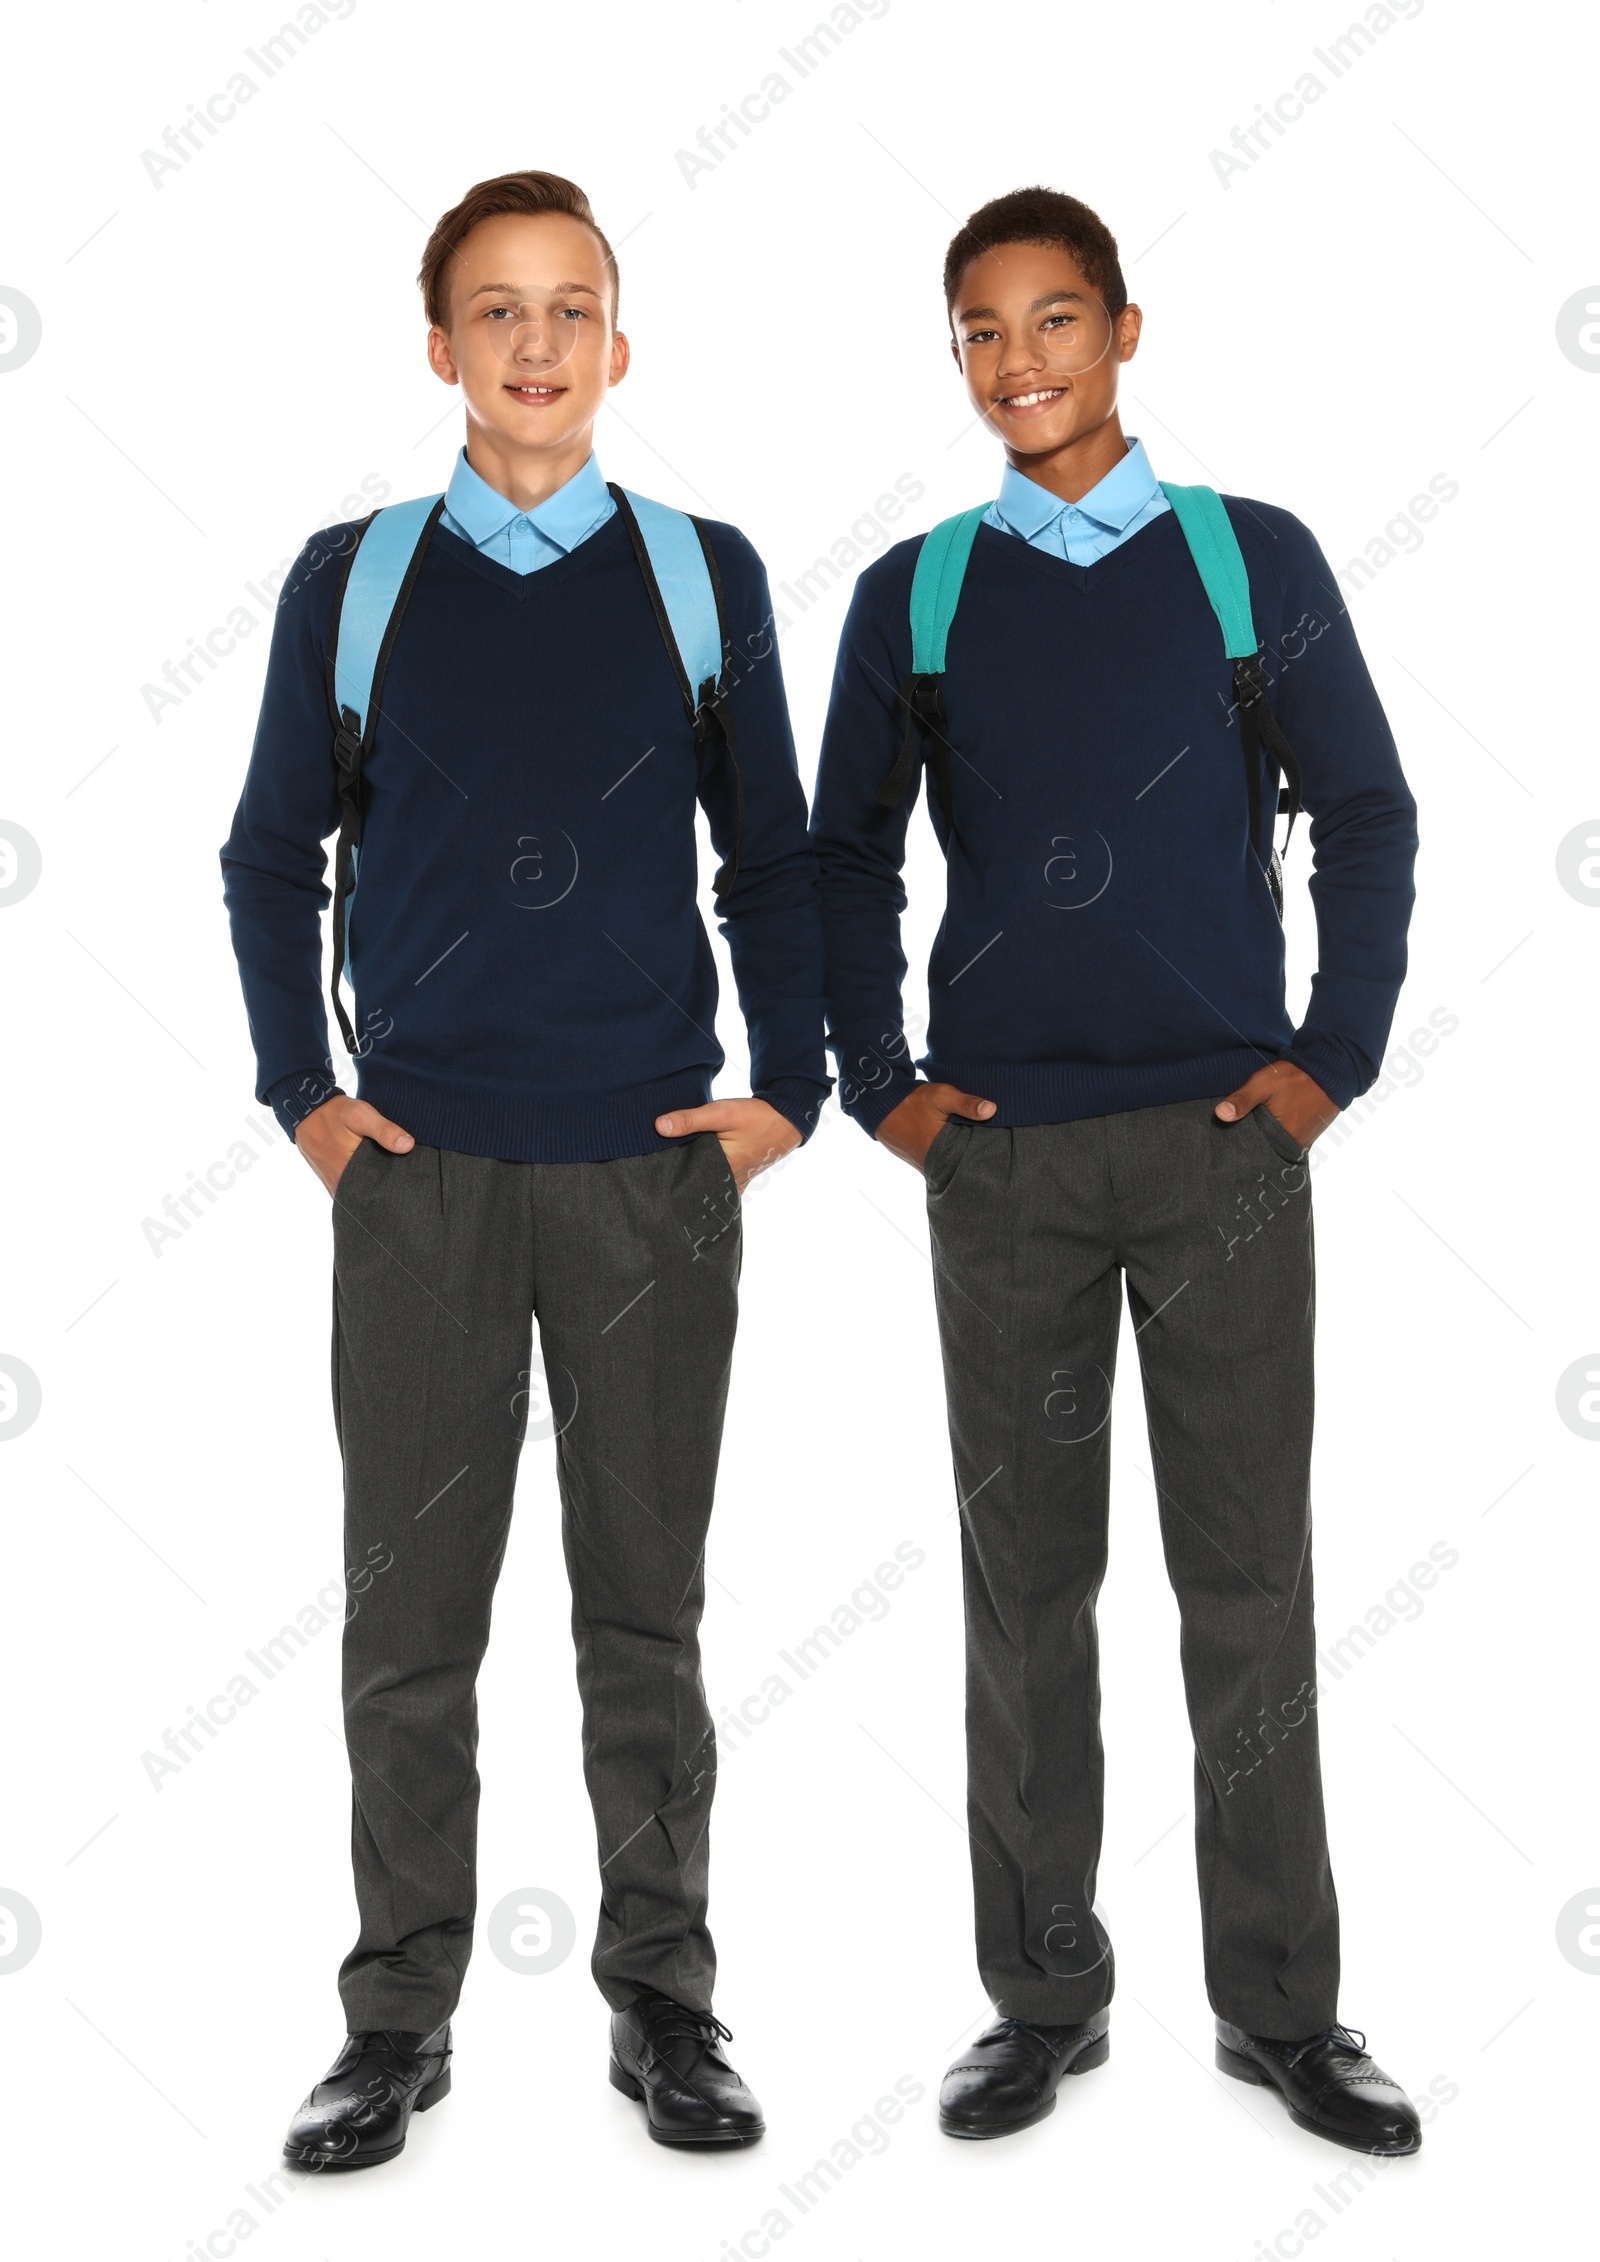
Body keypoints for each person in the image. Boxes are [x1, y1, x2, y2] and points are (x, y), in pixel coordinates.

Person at [221, 169, 829, 2167]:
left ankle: (663, 1998)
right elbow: (265, 853)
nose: (538, 344)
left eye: (572, 308)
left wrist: (790, 1084)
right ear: (441, 349)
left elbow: (773, 854)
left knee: (640, 1613)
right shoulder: (356, 577)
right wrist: (302, 1093)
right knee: (411, 1623)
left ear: (619, 345)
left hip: (648, 1170)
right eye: (497, 311)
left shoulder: (697, 573)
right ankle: (395, 2016)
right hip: (421, 1178)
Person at [809, 186, 1423, 2153]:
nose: (1018, 364)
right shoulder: (914, 593)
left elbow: (1365, 811)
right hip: (997, 1165)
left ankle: (1280, 2012)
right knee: (1024, 1594)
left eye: (1052, 321)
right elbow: (835, 856)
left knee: (1242, 1587)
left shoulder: (1247, 567)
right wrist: (883, 1086)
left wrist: (1328, 1062)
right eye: (980, 333)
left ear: (1123, 331)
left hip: (1223, 1153)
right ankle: (1039, 2002)